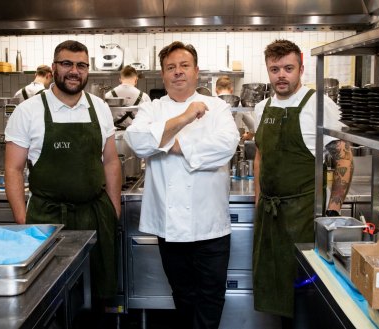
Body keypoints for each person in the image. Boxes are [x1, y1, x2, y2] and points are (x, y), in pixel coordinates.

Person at [4, 40, 121, 325]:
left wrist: (113, 209)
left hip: (94, 216)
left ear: (87, 70)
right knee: (50, 300)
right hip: (48, 219)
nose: (74, 71)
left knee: (96, 300)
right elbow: (13, 168)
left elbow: (111, 161)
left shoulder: (100, 107)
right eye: (67, 64)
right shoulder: (28, 111)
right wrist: (24, 221)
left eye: (81, 65)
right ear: (54, 67)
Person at [125, 41, 240, 329]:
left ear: (196, 71)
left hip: (211, 225)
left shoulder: (217, 108)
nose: (178, 72)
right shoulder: (151, 108)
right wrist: (185, 117)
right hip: (169, 225)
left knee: (211, 295)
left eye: (184, 66)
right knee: (183, 294)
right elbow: (137, 142)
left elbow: (225, 147)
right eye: (170, 68)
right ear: (163, 75)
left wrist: (167, 143)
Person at [252, 39, 354, 328]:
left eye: (288, 68)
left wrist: (332, 213)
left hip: (304, 214)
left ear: (301, 68)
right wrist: (259, 200)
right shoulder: (263, 107)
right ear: (268, 70)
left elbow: (344, 159)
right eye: (275, 69)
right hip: (271, 217)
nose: (281, 75)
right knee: (277, 287)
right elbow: (260, 155)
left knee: (305, 293)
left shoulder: (320, 105)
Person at [215, 75, 255, 140]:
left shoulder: (210, 104)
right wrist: (248, 136)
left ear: (216, 90)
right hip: (233, 146)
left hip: (213, 147)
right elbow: (254, 127)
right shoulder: (240, 104)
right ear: (231, 90)